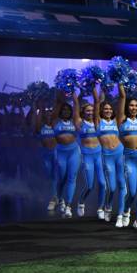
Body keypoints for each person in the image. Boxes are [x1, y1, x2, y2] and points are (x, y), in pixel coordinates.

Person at [117, 85, 137, 232]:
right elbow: (122, 97)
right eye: (131, 105)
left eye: (136, 105)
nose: (134, 108)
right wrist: (121, 82)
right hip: (129, 158)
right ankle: (126, 210)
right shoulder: (122, 119)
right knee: (133, 191)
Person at [95, 89, 127, 226]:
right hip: (107, 156)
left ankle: (120, 214)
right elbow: (97, 103)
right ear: (102, 111)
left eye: (110, 109)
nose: (108, 110)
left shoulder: (116, 121)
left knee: (122, 186)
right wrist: (97, 87)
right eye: (105, 109)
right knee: (112, 187)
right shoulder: (98, 122)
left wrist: (119, 83)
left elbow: (122, 99)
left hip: (119, 154)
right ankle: (107, 206)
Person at [73, 90, 106, 220]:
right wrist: (74, 92)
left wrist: (102, 87)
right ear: (83, 112)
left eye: (92, 110)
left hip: (99, 155)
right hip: (86, 156)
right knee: (90, 185)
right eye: (88, 110)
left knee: (103, 184)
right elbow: (75, 104)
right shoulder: (79, 122)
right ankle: (81, 202)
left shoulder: (97, 121)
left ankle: (100, 208)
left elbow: (99, 101)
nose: (91, 112)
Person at [52, 92, 82, 218]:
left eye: (67, 109)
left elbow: (76, 104)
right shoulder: (55, 121)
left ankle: (69, 205)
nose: (65, 111)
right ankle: (60, 199)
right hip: (60, 152)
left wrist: (74, 91)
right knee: (61, 178)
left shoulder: (75, 121)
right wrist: (62, 89)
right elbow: (58, 103)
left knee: (71, 178)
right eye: (63, 109)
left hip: (74, 152)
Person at [31, 100, 59, 211]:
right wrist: (37, 107)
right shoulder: (40, 126)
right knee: (47, 175)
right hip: (45, 153)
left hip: (56, 153)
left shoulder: (56, 126)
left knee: (55, 176)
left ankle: (55, 197)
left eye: (50, 113)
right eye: (47, 113)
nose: (49, 114)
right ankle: (46, 194)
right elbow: (38, 119)